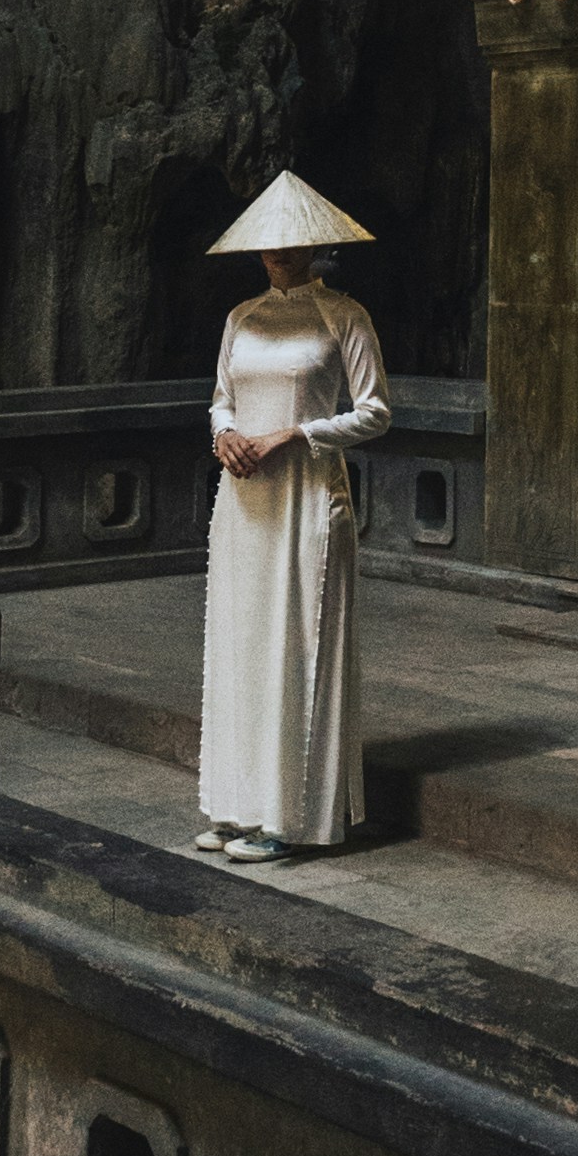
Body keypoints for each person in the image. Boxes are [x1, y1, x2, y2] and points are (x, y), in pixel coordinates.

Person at [194, 170, 390, 861]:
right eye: (269, 245)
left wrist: (295, 434)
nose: (279, 254)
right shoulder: (242, 317)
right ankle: (234, 806)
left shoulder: (345, 316)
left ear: (313, 246)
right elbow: (222, 396)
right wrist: (224, 434)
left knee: (294, 644)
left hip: (309, 496)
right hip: (245, 497)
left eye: (292, 243)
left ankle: (290, 817)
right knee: (241, 645)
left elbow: (375, 412)